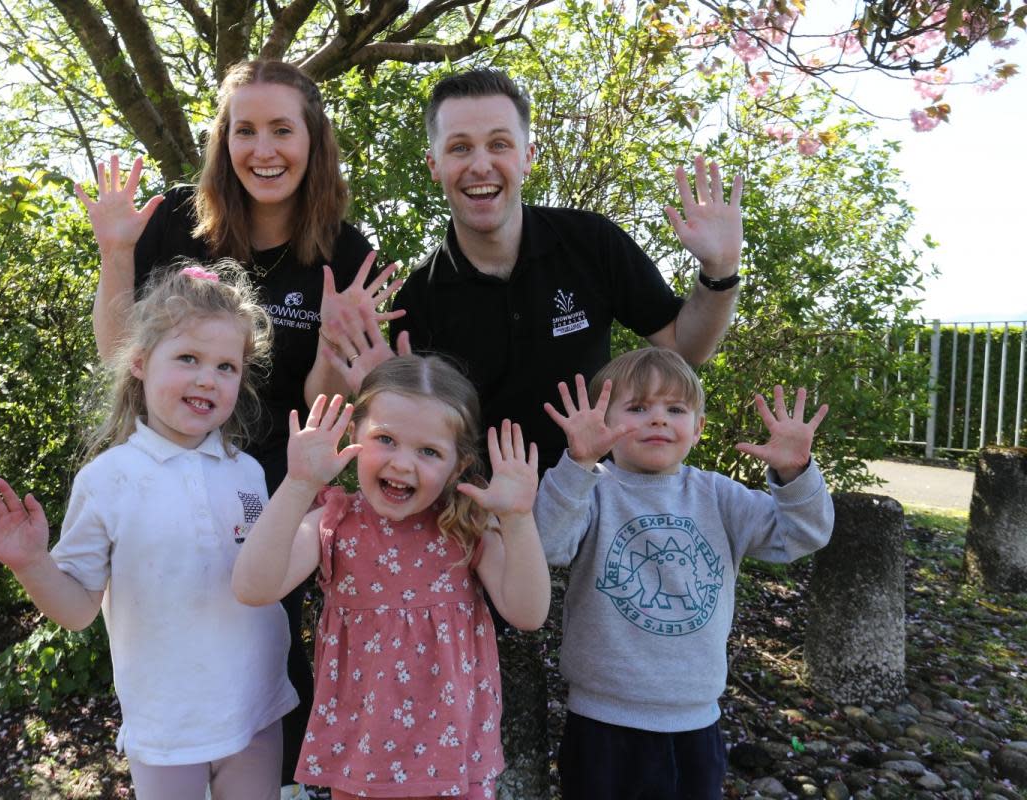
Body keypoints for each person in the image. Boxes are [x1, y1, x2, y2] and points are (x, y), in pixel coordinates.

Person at [75, 61, 398, 794]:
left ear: (313, 140)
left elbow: (320, 406)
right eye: (244, 130)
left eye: (282, 129)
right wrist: (117, 252)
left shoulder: (344, 253)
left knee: (264, 653)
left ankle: (276, 783)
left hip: (271, 491)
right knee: (171, 639)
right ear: (223, 141)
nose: (264, 149)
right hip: (166, 478)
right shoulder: (174, 223)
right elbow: (120, 356)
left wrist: (334, 352)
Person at [0, 265, 296, 800]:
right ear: (140, 362)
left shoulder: (249, 473)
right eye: (188, 358)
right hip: (165, 728)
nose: (208, 378)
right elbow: (76, 611)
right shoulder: (108, 480)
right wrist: (31, 563)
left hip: (256, 710)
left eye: (227, 366)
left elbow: (267, 573)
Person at [388, 68, 745, 474]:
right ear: (435, 164)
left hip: (600, 503)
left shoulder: (590, 241)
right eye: (460, 148)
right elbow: (419, 438)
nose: (481, 165)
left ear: (528, 157)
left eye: (499, 144)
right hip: (487, 518)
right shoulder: (418, 299)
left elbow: (684, 347)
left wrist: (720, 269)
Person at [232, 355, 552, 799]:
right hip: (359, 761)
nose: (403, 464)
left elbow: (529, 612)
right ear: (352, 437)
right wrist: (299, 483)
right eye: (386, 439)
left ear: (458, 466)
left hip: (454, 760)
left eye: (429, 452)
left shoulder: (467, 527)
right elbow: (253, 587)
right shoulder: (335, 520)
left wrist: (517, 520)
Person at [534, 347, 834, 799]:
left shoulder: (718, 496)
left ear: (697, 429)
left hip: (695, 721)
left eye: (675, 409)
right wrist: (576, 465)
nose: (658, 420)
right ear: (604, 425)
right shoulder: (591, 491)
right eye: (637, 408)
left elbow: (802, 535)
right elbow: (547, 545)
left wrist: (796, 473)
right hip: (601, 720)